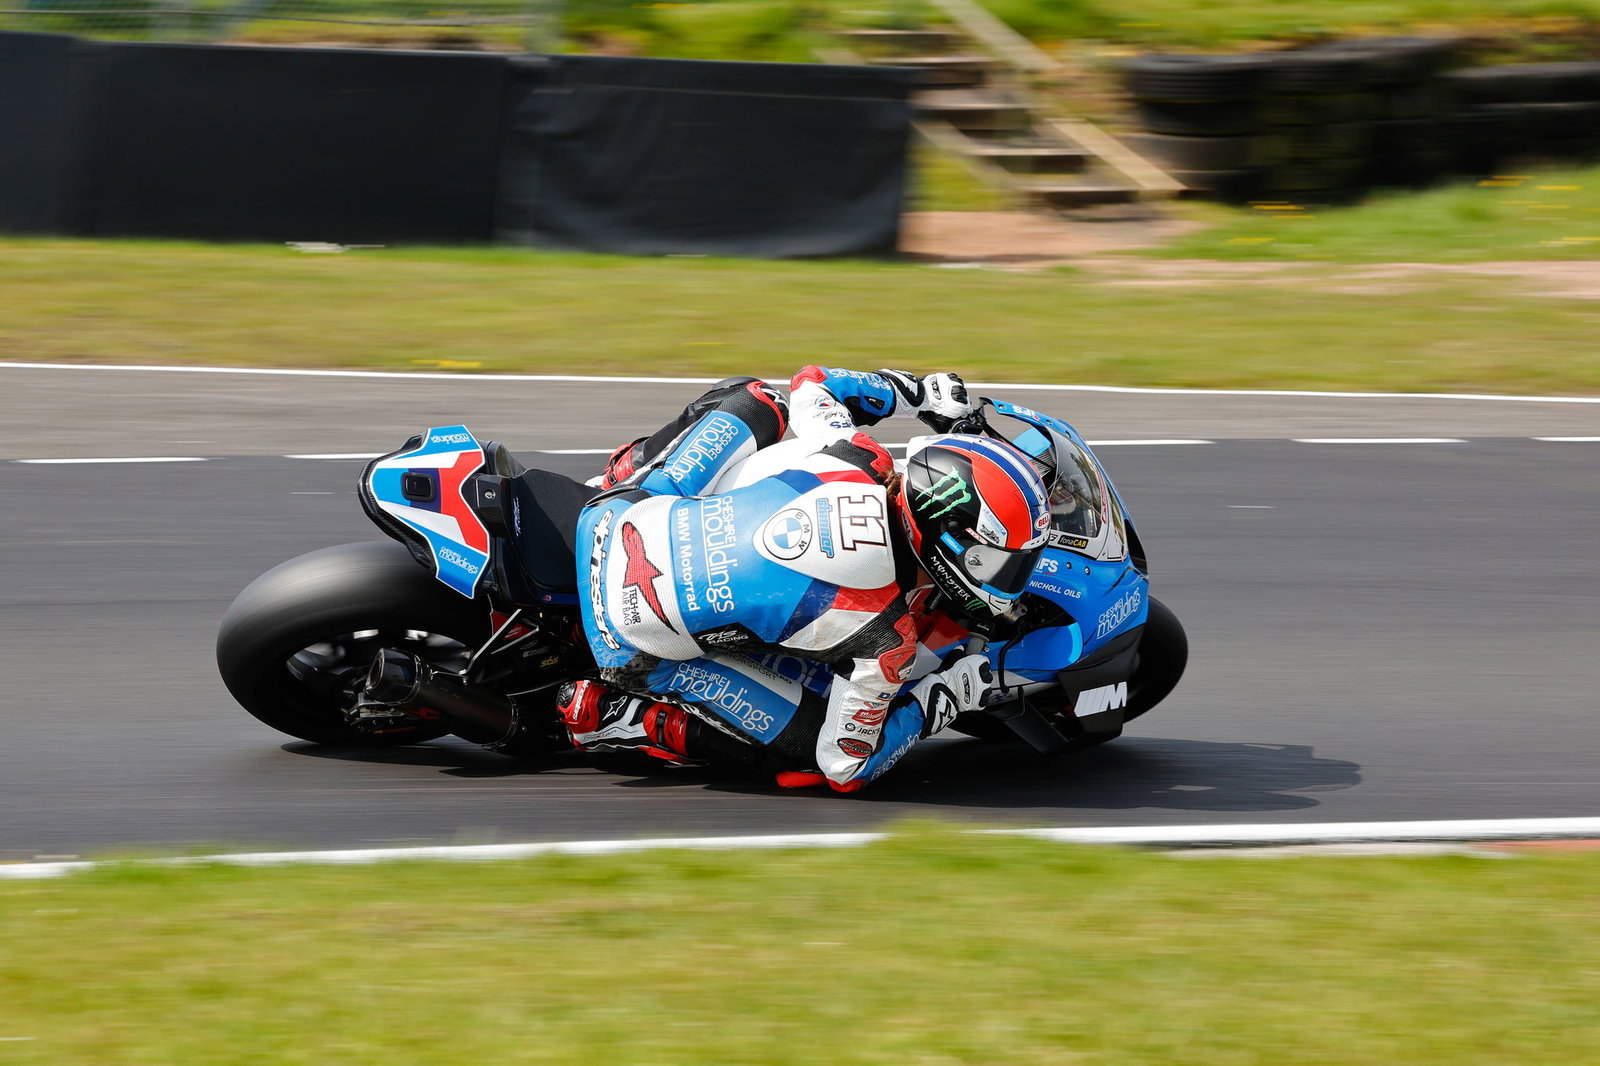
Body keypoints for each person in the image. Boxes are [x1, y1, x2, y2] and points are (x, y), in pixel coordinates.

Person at [559, 368, 1053, 791]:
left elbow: (812, 384)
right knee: (809, 751)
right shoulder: (888, 637)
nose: (1012, 576)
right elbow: (846, 767)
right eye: (998, 560)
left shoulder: (861, 456)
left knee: (757, 400)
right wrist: (946, 696)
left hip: (611, 516)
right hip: (627, 641)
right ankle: (628, 720)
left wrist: (917, 392)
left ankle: (622, 470)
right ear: (947, 537)